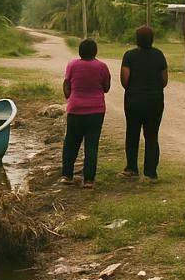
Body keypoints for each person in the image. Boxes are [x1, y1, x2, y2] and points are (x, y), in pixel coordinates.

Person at [119, 25, 169, 180]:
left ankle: (132, 168)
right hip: (155, 101)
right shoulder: (159, 55)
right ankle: (151, 172)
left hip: (134, 101)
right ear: (152, 39)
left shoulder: (129, 55)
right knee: (152, 136)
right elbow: (164, 80)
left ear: (137, 39)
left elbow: (124, 80)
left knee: (132, 134)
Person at [60, 38, 110, 188]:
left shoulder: (72, 65)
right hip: (96, 111)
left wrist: (69, 97)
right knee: (91, 145)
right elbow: (106, 87)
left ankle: (67, 175)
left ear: (80, 51)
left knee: (71, 143)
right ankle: (89, 180)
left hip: (75, 109)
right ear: (95, 52)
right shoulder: (102, 66)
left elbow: (66, 84)